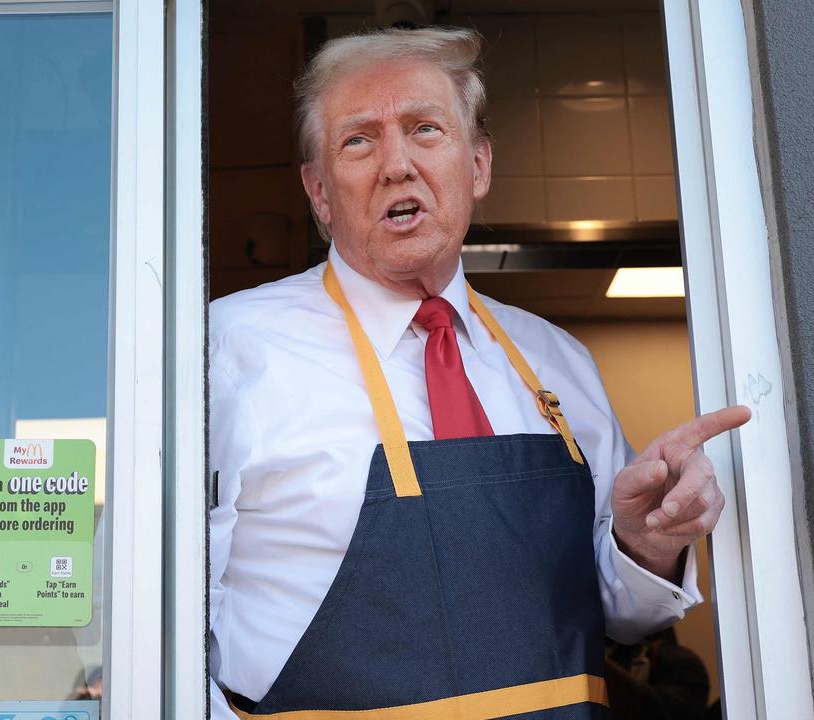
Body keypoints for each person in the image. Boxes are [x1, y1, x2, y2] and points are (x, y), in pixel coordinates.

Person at [208, 26, 750, 719]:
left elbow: (618, 616)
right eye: (358, 140)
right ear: (318, 193)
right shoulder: (230, 348)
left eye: (425, 129)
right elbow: (161, 616)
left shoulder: (559, 361)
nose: (396, 164)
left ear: (480, 166)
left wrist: (646, 545)